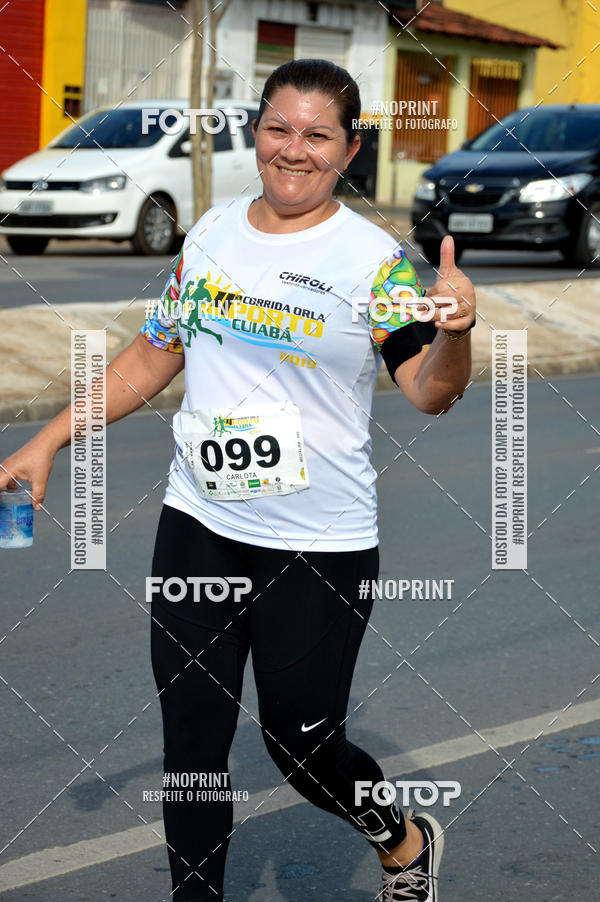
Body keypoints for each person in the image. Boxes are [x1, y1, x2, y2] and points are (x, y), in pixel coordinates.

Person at [0, 59, 476, 902]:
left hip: (317, 542)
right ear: (256, 133)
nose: (295, 150)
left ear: (350, 148)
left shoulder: (375, 263)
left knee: (301, 744)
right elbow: (154, 354)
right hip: (199, 521)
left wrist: (457, 334)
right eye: (279, 129)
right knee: (192, 744)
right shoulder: (213, 232)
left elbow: (430, 393)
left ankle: (401, 839)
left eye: (318, 135)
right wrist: (47, 442)